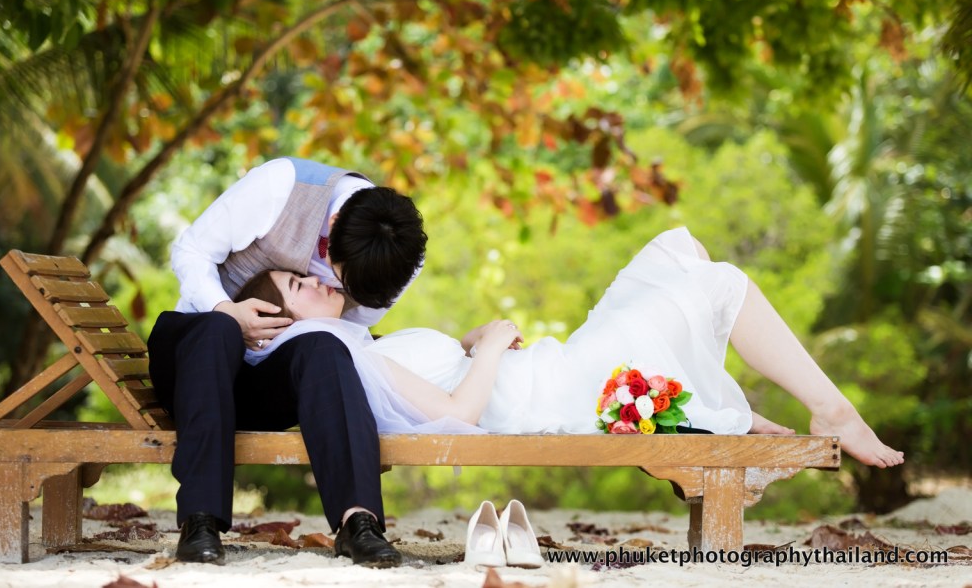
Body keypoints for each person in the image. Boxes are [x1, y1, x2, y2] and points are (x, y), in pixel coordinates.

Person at [239, 227, 904, 469]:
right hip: (560, 389)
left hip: (557, 368)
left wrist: (474, 339)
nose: (319, 281)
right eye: (299, 285)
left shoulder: (365, 345)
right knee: (720, 283)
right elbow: (457, 415)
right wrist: (495, 347)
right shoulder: (344, 356)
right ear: (278, 324)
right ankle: (831, 411)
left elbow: (446, 377)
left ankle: (711, 402)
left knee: (677, 247)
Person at [147, 157, 428, 567]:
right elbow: (189, 251)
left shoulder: (398, 261)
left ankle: (359, 524)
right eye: (337, 276)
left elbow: (347, 328)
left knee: (325, 346)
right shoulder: (280, 186)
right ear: (330, 233)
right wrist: (228, 309)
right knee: (218, 329)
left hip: (267, 386)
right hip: (196, 369)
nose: (333, 288)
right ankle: (200, 522)